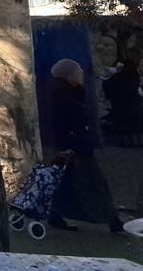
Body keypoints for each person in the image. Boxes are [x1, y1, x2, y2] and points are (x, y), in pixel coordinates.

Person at [46, 58, 123, 232]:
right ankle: (112, 220)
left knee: (70, 182)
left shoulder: (75, 92)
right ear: (68, 76)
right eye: (76, 71)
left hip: (80, 143)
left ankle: (55, 214)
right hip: (74, 145)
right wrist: (66, 146)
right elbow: (59, 123)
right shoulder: (61, 95)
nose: (80, 74)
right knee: (94, 182)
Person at [102, 51, 143, 147]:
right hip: (134, 107)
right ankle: (137, 140)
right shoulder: (134, 77)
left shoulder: (118, 78)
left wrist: (114, 73)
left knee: (123, 123)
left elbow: (107, 87)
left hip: (120, 108)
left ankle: (125, 141)